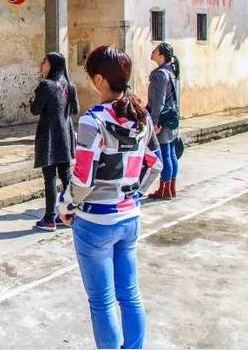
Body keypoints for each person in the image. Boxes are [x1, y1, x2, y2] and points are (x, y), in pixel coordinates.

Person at [58, 45, 162, 349]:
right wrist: (134, 194)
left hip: (95, 222)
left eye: (92, 76)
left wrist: (66, 206)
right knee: (130, 295)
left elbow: (83, 178)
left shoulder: (93, 120)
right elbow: (157, 165)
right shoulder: (141, 118)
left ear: (101, 79)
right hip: (130, 218)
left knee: (102, 302)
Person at [30, 52, 79, 231]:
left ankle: (49, 218)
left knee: (50, 179)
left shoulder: (46, 85)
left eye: (45, 62)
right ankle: (68, 213)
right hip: (65, 135)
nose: (41, 64)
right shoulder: (70, 86)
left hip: (49, 136)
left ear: (53, 65)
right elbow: (75, 109)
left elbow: (35, 110)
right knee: (65, 176)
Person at [147, 42, 180, 200]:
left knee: (166, 154)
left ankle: (165, 189)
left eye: (155, 51)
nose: (152, 52)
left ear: (161, 56)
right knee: (171, 153)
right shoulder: (172, 71)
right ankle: (171, 188)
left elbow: (158, 101)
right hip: (172, 117)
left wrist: (154, 122)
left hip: (162, 119)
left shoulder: (160, 74)